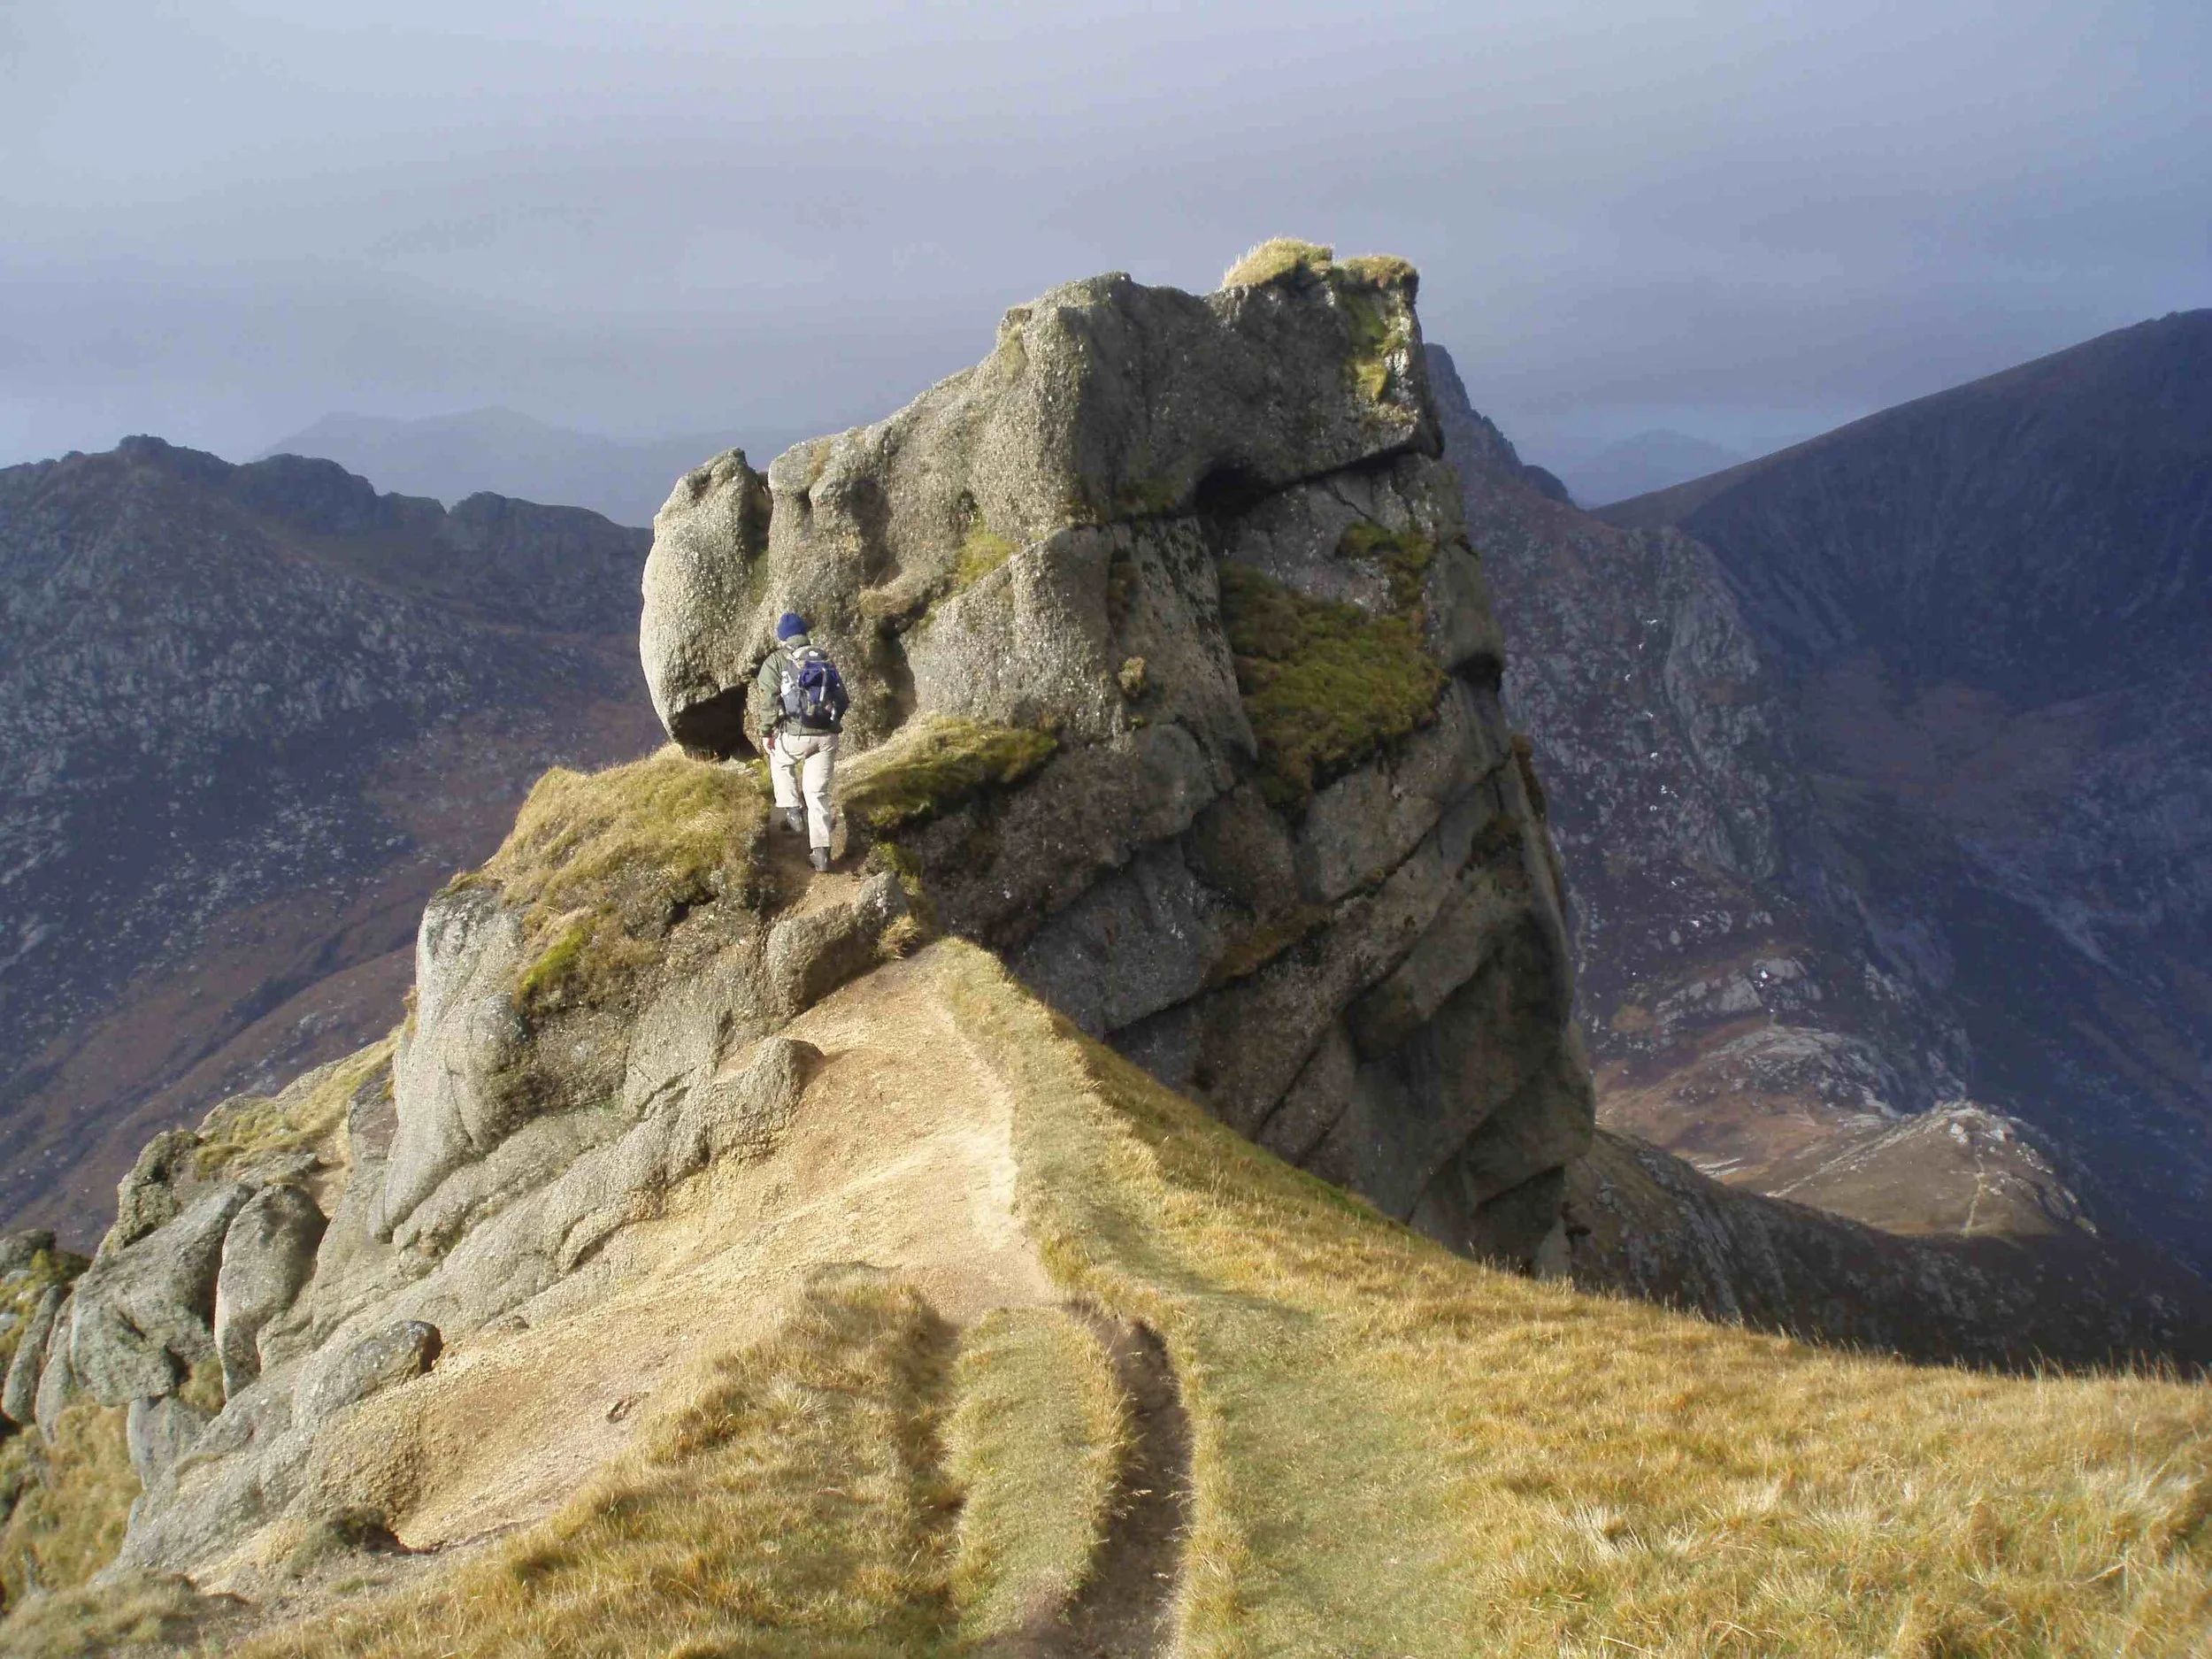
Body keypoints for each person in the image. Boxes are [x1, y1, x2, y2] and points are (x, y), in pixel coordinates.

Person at [755, 611, 849, 872]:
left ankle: (792, 809)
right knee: (817, 794)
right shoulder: (823, 659)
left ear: (783, 638)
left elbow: (769, 701)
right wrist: (830, 723)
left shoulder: (776, 661)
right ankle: (821, 854)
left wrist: (767, 732)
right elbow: (843, 699)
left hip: (796, 735)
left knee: (779, 758)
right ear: (805, 634)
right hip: (827, 737)